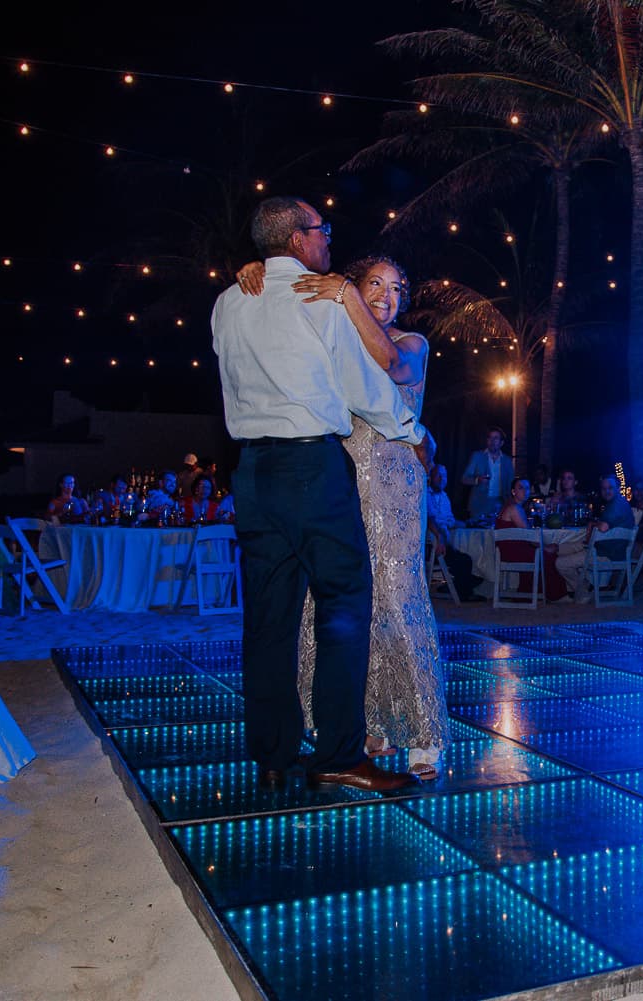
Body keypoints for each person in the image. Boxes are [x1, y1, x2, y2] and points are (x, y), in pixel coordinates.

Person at [212, 195, 422, 793]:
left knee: (268, 620)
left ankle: (273, 756)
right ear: (301, 240)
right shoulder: (320, 299)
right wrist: (413, 431)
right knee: (344, 610)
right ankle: (338, 754)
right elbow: (365, 388)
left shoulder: (228, 303)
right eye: (322, 230)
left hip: (251, 474)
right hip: (311, 467)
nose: (328, 240)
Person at [496, 477, 569, 601]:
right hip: (512, 553)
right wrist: (546, 548)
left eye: (527, 488)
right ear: (513, 491)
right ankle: (556, 595)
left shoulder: (514, 506)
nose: (525, 491)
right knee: (548, 556)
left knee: (544, 552)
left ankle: (529, 592)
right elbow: (530, 537)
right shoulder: (514, 508)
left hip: (513, 550)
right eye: (521, 488)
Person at [426, 463, 484, 600]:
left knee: (466, 552)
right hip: (432, 545)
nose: (442, 479)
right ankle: (465, 592)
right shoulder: (426, 494)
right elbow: (430, 519)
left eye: (445, 476)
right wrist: (439, 536)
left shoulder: (444, 497)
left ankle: (460, 583)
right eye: (439, 475)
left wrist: (468, 523)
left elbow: (450, 520)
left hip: (446, 539)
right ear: (431, 477)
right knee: (464, 561)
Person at [461, 427, 515, 520]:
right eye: (490, 438)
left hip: (500, 505)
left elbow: (511, 483)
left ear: (501, 443)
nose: (492, 441)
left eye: (496, 438)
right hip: (480, 504)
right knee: (478, 533)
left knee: (498, 533)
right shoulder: (477, 456)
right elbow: (464, 479)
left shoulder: (507, 461)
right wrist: (477, 480)